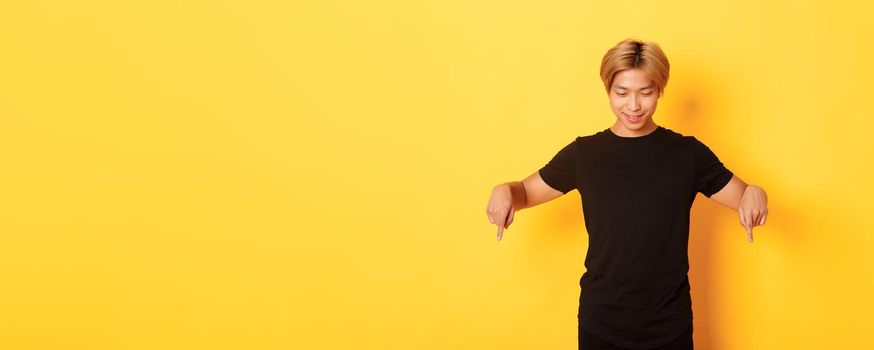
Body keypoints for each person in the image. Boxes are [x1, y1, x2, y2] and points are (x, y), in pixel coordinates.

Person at [484, 38, 769, 350]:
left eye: (645, 93)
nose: (633, 106)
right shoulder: (585, 155)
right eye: (622, 93)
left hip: (669, 324)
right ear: (608, 90)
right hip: (601, 323)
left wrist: (755, 193)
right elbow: (525, 191)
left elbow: (743, 195)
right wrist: (504, 191)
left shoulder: (687, 154)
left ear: (660, 90)